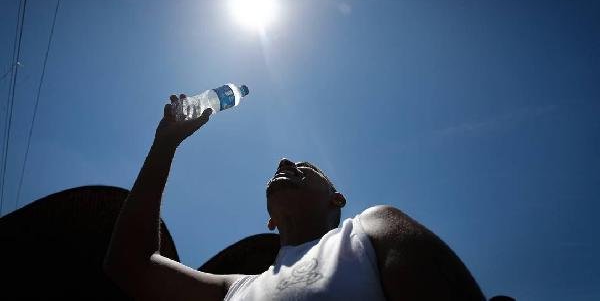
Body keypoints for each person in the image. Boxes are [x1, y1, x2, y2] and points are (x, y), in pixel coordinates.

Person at [104, 94, 486, 300]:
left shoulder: (371, 229)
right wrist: (164, 146)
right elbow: (130, 266)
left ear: (337, 199)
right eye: (286, 162)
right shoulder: (234, 289)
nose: (284, 161)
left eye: (308, 166)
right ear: (270, 221)